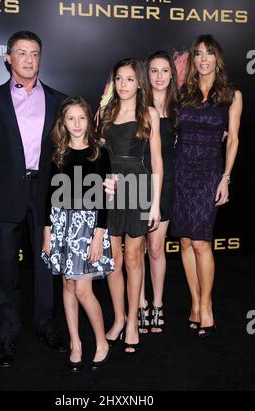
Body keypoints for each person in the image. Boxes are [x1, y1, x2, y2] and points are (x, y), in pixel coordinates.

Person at [0, 31, 68, 367]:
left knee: (45, 265)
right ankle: (8, 335)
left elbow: (70, 154)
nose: (28, 59)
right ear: (8, 57)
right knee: (5, 269)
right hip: (5, 194)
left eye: (34, 53)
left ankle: (45, 325)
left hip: (47, 194)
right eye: (21, 52)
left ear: (41, 58)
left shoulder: (59, 100)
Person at [170, 34, 243, 337]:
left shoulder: (231, 95)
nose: (203, 59)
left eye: (208, 53)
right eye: (198, 53)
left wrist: (225, 177)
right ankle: (195, 304)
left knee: (201, 242)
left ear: (217, 59)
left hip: (209, 172)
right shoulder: (183, 93)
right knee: (185, 242)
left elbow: (234, 138)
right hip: (181, 171)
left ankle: (207, 304)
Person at [41, 96, 114, 372]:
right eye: (71, 118)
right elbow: (50, 195)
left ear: (89, 120)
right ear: (63, 122)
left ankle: (101, 342)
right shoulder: (58, 151)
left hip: (88, 226)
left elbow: (107, 199)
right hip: (60, 224)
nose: (76, 124)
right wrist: (48, 232)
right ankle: (75, 344)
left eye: (81, 118)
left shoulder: (100, 152)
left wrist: (98, 235)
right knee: (68, 285)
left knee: (83, 288)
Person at [99, 58, 163, 354]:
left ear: (139, 82)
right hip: (110, 189)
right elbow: (97, 155)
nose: (123, 85)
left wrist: (155, 205)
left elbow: (157, 162)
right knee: (112, 259)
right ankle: (119, 318)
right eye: (118, 79)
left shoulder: (149, 113)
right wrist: (99, 180)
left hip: (138, 186)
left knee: (134, 257)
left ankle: (135, 323)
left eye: (129, 79)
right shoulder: (103, 112)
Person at [138, 51, 179, 334]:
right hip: (138, 181)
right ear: (146, 74)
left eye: (165, 71)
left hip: (167, 182)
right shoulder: (136, 105)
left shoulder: (180, 107)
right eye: (154, 70)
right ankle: (139, 305)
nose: (160, 76)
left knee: (155, 248)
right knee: (136, 249)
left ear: (172, 75)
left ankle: (158, 304)